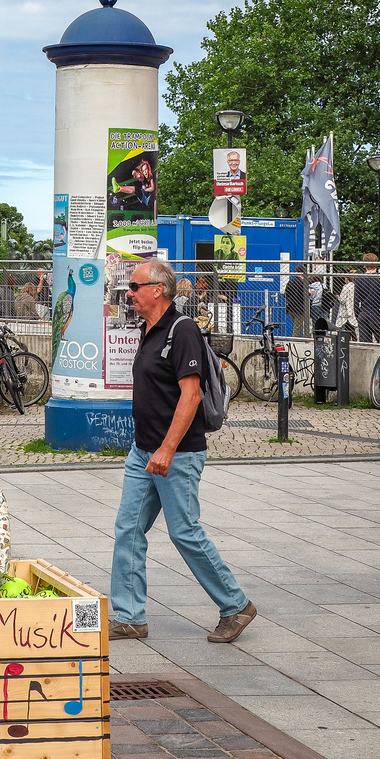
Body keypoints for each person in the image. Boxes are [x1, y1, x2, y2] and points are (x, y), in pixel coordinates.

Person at [109, 258, 256, 644]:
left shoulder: (182, 329)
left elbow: (191, 395)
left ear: (157, 290)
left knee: (184, 532)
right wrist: (150, 448)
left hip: (176, 453)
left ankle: (235, 605)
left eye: (135, 287)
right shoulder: (149, 329)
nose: (130, 294)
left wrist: (167, 449)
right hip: (143, 451)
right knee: (128, 529)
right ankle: (129, 616)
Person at [355, 253, 380, 343]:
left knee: (365, 343)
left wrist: (358, 314)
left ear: (364, 264)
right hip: (377, 314)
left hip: (364, 313)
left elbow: (356, 300)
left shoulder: (359, 278)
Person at [284, 264, 306, 337]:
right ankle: (295, 341)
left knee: (296, 325)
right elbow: (304, 295)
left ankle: (296, 339)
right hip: (300, 308)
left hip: (291, 307)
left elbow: (286, 294)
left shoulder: (291, 281)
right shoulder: (303, 283)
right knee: (298, 327)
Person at [335, 271, 358, 339]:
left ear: (347, 278)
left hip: (345, 308)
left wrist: (338, 297)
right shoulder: (354, 286)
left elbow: (342, 299)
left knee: (342, 324)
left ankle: (342, 339)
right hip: (352, 307)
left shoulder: (346, 287)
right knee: (349, 324)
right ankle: (353, 338)